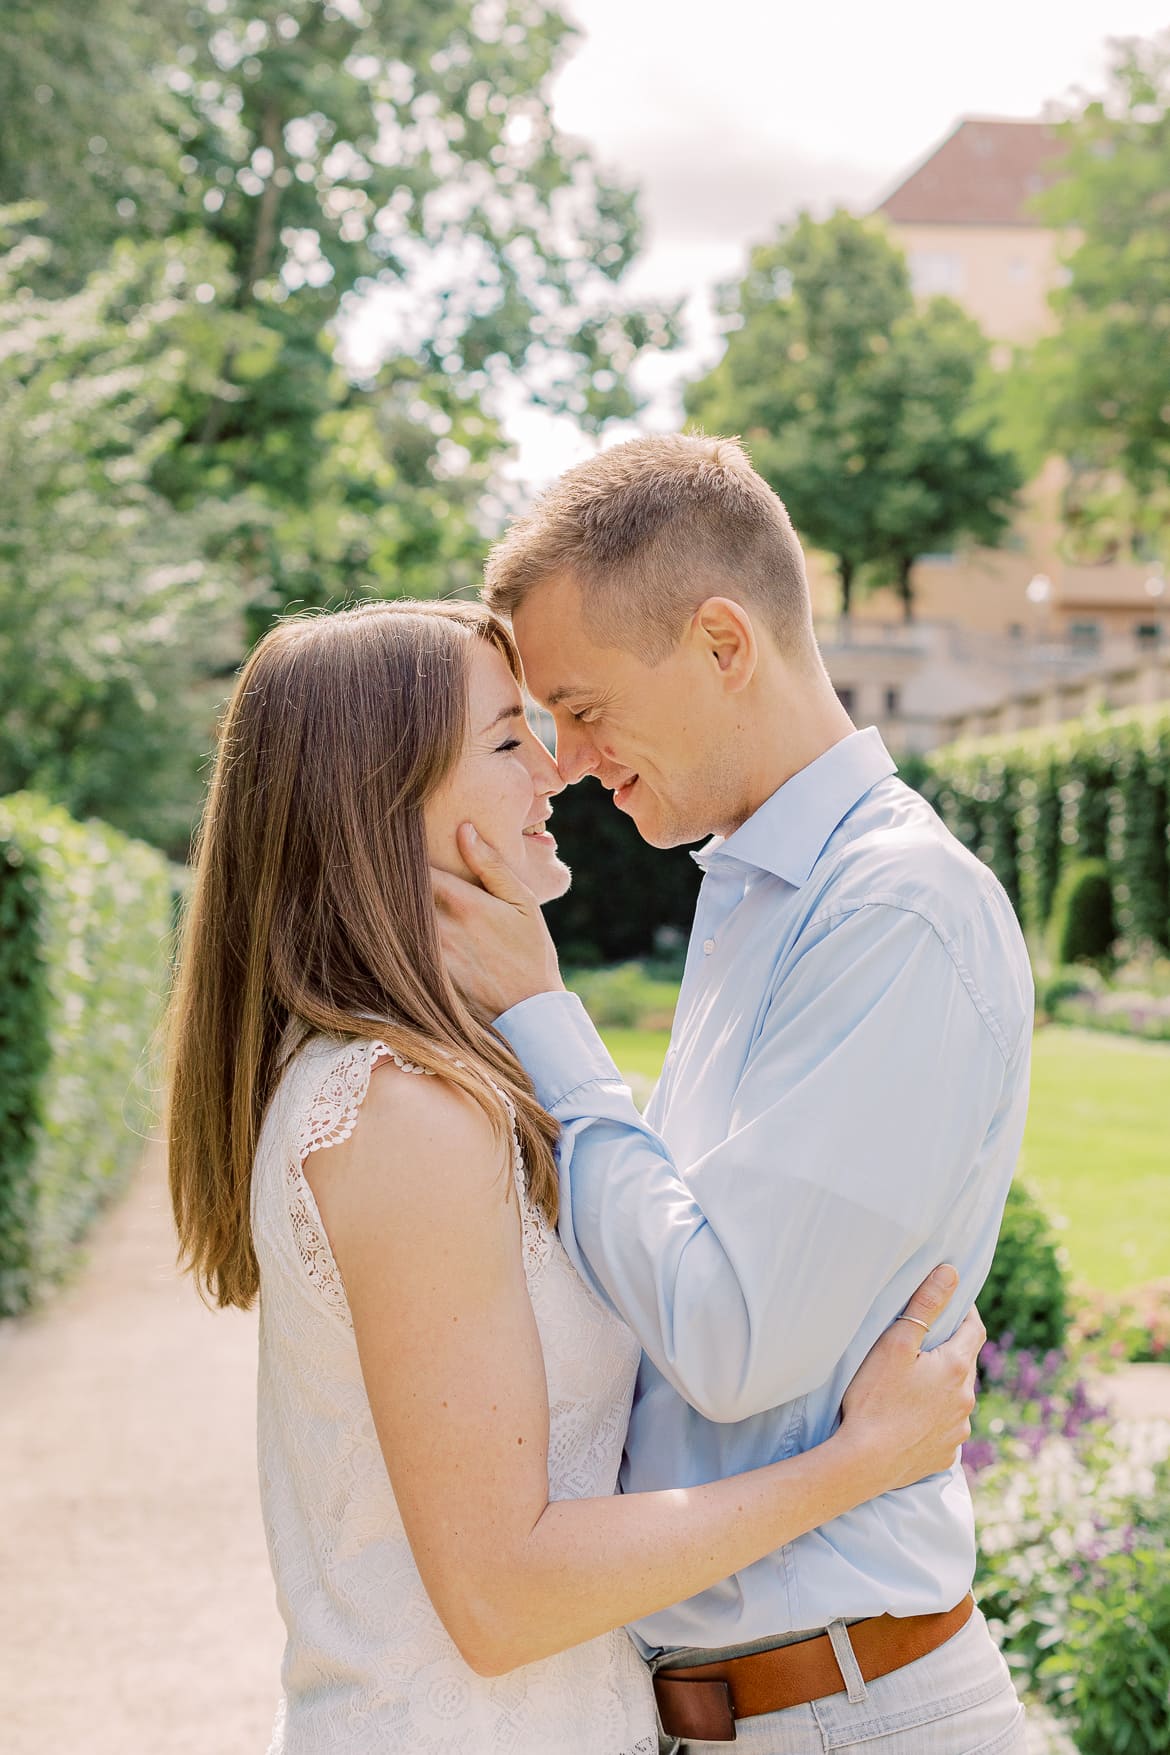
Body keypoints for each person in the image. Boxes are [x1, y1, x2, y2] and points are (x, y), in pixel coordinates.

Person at [167, 599, 981, 1755]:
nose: (557, 770)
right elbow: (505, 1599)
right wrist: (858, 1462)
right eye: (508, 741)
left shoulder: (427, 1083)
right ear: (383, 804)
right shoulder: (404, 1114)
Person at [432, 434, 1035, 1753]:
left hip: (850, 1713)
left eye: (581, 706)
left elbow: (725, 1337)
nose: (570, 760)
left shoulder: (896, 912)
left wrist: (542, 1015)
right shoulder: (756, 891)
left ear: (721, 640)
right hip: (754, 1709)